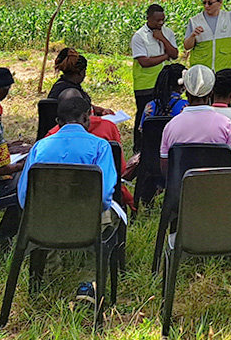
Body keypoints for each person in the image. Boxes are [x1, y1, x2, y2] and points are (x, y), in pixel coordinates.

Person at [16, 92, 120, 306]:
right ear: (87, 118)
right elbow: (105, 194)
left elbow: (24, 195)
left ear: (58, 122)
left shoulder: (40, 147)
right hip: (87, 223)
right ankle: (87, 282)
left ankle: (52, 271)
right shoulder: (100, 146)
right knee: (110, 220)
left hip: (44, 224)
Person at [159, 65, 231, 174]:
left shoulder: (171, 126)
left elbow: (165, 170)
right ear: (211, 93)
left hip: (181, 189)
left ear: (186, 92)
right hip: (216, 189)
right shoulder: (225, 124)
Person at [131, 3, 179, 143]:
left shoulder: (168, 32)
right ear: (148, 18)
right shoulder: (139, 36)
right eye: (157, 20)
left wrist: (162, 38)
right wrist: (165, 56)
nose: (161, 23)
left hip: (165, 82)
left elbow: (175, 54)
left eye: (163, 19)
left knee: (164, 112)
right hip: (146, 84)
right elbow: (144, 62)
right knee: (144, 114)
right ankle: (139, 146)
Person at [48, 50, 112, 116]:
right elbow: (81, 118)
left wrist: (100, 110)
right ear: (81, 73)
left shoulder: (58, 87)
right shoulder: (72, 94)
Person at [140, 63, 188, 128]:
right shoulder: (186, 107)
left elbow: (142, 130)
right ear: (183, 85)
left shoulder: (150, 106)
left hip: (154, 138)